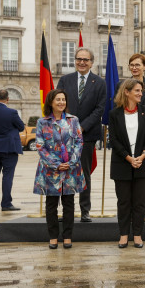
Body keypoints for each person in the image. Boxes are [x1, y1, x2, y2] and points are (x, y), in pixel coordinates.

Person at [56, 47, 106, 222]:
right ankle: (67, 211)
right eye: (79, 59)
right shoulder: (64, 80)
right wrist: (69, 126)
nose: (82, 62)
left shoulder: (99, 83)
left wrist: (81, 127)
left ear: (92, 62)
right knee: (65, 173)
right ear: (75, 60)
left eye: (86, 59)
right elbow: (58, 104)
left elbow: (99, 109)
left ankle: (85, 210)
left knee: (84, 173)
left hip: (87, 135)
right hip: (65, 135)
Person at [33, 89, 85, 249]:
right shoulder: (42, 122)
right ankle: (53, 237)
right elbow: (40, 146)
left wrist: (71, 162)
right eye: (58, 100)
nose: (61, 102)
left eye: (63, 99)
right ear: (51, 102)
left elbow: (79, 142)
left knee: (69, 203)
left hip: (70, 169)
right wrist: (56, 164)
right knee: (51, 205)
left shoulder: (73, 120)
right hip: (50, 171)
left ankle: (68, 236)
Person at [108, 79, 145, 249]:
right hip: (122, 164)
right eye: (137, 90)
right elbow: (113, 140)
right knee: (124, 202)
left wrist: (142, 156)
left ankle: (137, 235)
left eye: (141, 91)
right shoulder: (114, 114)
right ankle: (123, 235)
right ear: (126, 92)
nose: (140, 93)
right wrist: (129, 158)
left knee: (140, 202)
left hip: (144, 164)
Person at [0, 89, 24, 211]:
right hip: (9, 147)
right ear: (8, 99)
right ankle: (6, 204)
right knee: (7, 176)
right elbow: (21, 127)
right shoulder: (12, 112)